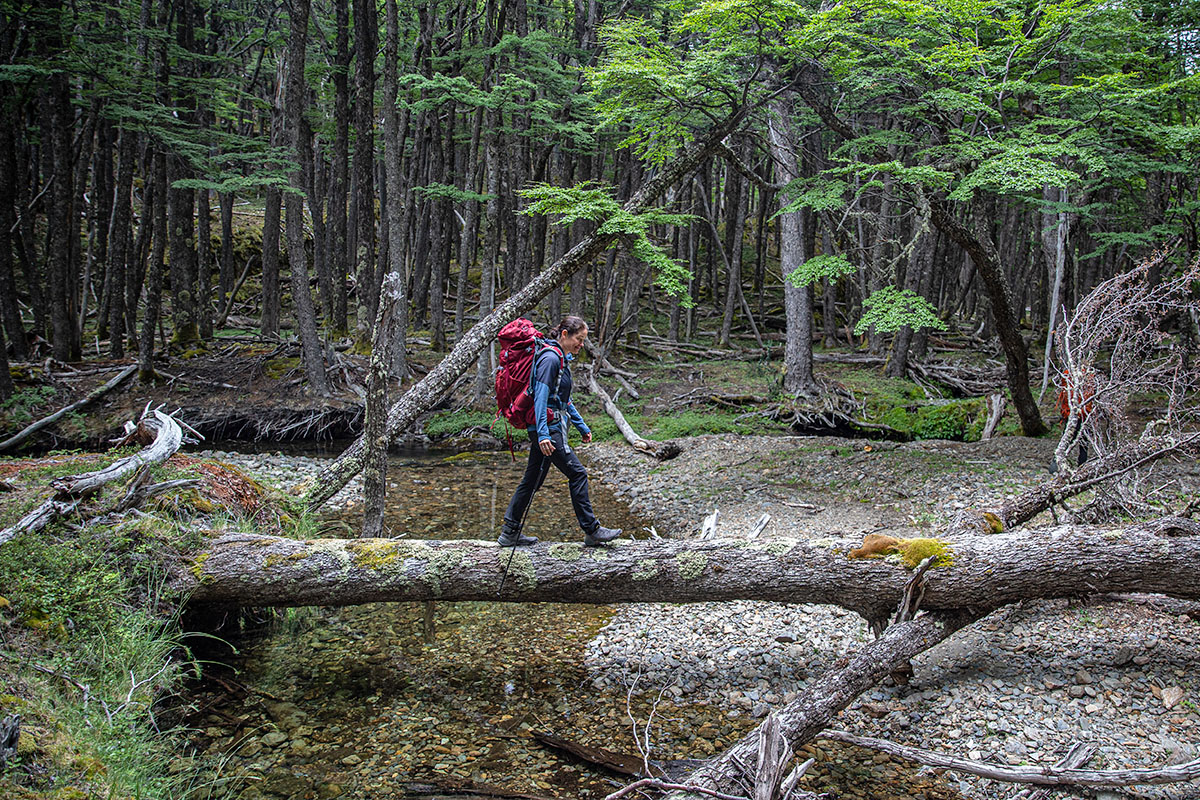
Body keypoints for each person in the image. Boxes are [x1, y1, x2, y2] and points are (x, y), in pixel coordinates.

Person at [498, 316, 622, 547]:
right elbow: (541, 397)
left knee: (532, 480)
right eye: (579, 339)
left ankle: (510, 532)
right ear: (564, 334)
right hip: (548, 430)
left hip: (547, 428)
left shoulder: (560, 358)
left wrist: (581, 426)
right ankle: (592, 530)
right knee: (577, 473)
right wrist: (544, 434)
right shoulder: (550, 359)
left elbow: (563, 400)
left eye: (583, 340)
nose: (581, 344)